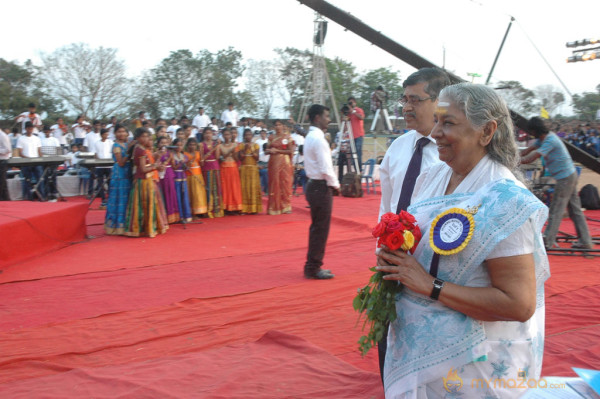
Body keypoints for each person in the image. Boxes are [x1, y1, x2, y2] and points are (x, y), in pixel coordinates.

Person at [375, 83, 549, 398]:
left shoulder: (505, 199)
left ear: (486, 132)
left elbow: (519, 303)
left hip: (475, 367)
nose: (436, 131)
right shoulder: (434, 177)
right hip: (423, 356)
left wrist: (429, 285)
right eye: (437, 120)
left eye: (448, 122)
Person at [377, 67, 451, 380]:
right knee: (388, 334)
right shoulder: (398, 147)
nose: (406, 107)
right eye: (404, 99)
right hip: (392, 260)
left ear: (440, 103)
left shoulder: (454, 154)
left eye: (415, 100)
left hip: (434, 268)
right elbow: (387, 206)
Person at [520, 117, 593, 249]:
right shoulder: (541, 140)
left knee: (556, 209)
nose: (530, 133)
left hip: (565, 178)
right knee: (575, 210)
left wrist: (515, 161)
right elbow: (527, 151)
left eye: (531, 131)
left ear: (535, 130)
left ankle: (548, 241)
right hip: (568, 176)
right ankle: (586, 241)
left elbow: (532, 157)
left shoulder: (550, 140)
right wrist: (515, 155)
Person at [303, 104, 340, 279]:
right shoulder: (318, 139)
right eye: (326, 116)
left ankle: (312, 265)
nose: (329, 119)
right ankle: (313, 267)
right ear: (317, 118)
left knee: (317, 227)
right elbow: (326, 168)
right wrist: (336, 185)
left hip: (313, 184)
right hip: (320, 186)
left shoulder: (311, 136)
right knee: (320, 228)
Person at [125, 128, 168, 238]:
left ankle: (148, 227)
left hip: (148, 179)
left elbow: (149, 161)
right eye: (143, 136)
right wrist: (156, 167)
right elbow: (143, 169)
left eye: (147, 136)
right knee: (146, 205)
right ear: (138, 138)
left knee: (150, 204)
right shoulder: (140, 150)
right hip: (143, 181)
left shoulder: (144, 149)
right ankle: (147, 228)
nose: (146, 139)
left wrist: (157, 157)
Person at [104, 125, 131, 235]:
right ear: (115, 133)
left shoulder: (126, 144)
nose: (121, 134)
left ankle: (126, 223)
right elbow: (121, 163)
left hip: (128, 173)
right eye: (119, 132)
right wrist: (129, 151)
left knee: (127, 199)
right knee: (119, 199)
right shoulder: (116, 146)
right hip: (119, 174)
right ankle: (116, 225)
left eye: (123, 131)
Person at [266, 120, 295, 215]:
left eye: (280, 125)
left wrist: (277, 151)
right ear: (274, 127)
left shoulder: (287, 137)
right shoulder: (271, 137)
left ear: (283, 126)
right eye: (276, 125)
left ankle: (286, 206)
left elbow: (290, 151)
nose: (278, 127)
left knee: (285, 183)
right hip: (274, 163)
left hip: (284, 163)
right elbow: (266, 150)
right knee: (275, 183)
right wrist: (270, 150)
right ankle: (274, 207)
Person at [200, 127, 224, 218]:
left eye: (210, 133)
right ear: (203, 134)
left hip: (215, 167)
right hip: (206, 167)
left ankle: (217, 210)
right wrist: (213, 149)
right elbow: (202, 159)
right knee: (208, 188)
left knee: (216, 188)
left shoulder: (215, 144)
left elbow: (217, 157)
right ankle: (208, 210)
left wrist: (216, 147)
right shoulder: (201, 144)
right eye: (206, 133)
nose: (208, 135)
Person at [237, 129, 263, 214]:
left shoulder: (256, 145)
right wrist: (245, 149)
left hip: (253, 169)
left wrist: (251, 150)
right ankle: (244, 208)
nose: (248, 136)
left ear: (252, 136)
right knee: (244, 188)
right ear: (244, 136)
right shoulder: (241, 145)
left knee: (253, 187)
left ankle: (254, 208)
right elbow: (240, 158)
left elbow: (257, 158)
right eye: (246, 135)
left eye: (249, 135)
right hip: (244, 168)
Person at [16, 121, 43, 200]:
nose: (30, 130)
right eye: (29, 128)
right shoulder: (21, 138)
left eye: (31, 128)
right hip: (26, 162)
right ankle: (28, 197)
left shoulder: (37, 138)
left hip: (37, 162)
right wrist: (28, 158)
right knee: (27, 180)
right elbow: (20, 153)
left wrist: (43, 159)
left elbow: (39, 152)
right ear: (25, 129)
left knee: (40, 179)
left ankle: (41, 196)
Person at [157, 136, 180, 223]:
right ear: (158, 144)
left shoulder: (170, 153)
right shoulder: (156, 153)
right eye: (162, 143)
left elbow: (173, 165)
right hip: (160, 174)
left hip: (169, 173)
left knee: (170, 193)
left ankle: (172, 216)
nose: (164, 144)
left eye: (165, 143)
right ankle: (164, 216)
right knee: (162, 193)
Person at [220, 128, 243, 213]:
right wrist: (228, 153)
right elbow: (220, 159)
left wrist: (234, 153)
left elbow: (237, 159)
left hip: (233, 167)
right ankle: (226, 207)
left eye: (228, 135)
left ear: (231, 136)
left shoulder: (235, 145)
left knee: (234, 186)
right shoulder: (220, 146)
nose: (227, 136)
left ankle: (235, 206)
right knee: (225, 187)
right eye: (225, 135)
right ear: (222, 136)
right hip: (224, 168)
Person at [184, 138, 208, 218]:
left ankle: (201, 211)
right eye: (190, 145)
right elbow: (185, 166)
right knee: (192, 194)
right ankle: (193, 212)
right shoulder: (185, 154)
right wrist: (191, 160)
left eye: (194, 145)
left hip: (198, 175)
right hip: (190, 176)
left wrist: (202, 158)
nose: (192, 146)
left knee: (199, 193)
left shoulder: (198, 153)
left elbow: (201, 163)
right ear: (187, 146)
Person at [171, 138, 192, 223]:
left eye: (181, 145)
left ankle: (187, 215)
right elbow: (174, 167)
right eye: (177, 145)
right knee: (178, 197)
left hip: (183, 177)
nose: (179, 147)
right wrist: (180, 162)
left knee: (185, 197)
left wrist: (187, 167)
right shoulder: (172, 155)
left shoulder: (185, 156)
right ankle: (180, 216)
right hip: (176, 177)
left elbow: (186, 166)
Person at [93, 129, 114, 208]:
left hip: (109, 165)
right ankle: (103, 199)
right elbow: (95, 154)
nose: (106, 136)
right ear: (101, 135)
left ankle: (110, 198)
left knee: (110, 183)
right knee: (100, 183)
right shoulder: (97, 143)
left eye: (107, 134)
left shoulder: (110, 142)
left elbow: (113, 152)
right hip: (100, 166)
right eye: (105, 134)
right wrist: (99, 161)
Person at [347, 96, 365, 168]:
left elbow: (361, 117)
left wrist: (353, 111)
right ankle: (354, 169)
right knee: (352, 154)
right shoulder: (348, 112)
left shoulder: (358, 110)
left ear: (355, 102)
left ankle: (359, 169)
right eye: (349, 103)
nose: (351, 104)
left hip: (359, 135)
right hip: (351, 136)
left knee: (358, 153)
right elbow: (344, 120)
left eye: (352, 102)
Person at [255, 129, 270, 195]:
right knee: (264, 172)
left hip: (267, 166)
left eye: (264, 133)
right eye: (262, 133)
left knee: (266, 172)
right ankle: (264, 189)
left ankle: (267, 189)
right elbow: (256, 162)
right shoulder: (257, 141)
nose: (263, 134)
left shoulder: (268, 141)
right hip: (260, 166)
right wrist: (259, 166)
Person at [0, 127, 11, 201]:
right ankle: (6, 199)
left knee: (1, 181)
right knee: (3, 182)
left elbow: (8, 149)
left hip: (3, 160)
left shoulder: (3, 136)